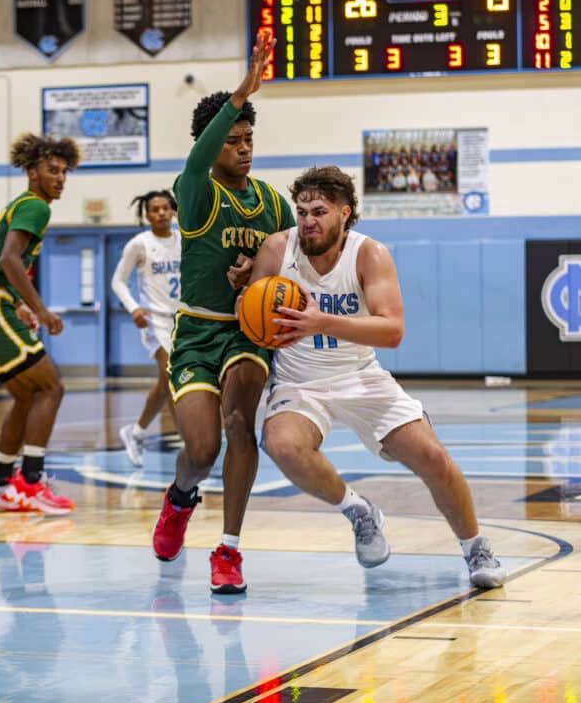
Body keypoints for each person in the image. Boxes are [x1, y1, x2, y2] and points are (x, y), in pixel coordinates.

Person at [244, 164, 506, 589]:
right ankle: (358, 510)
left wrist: (321, 322)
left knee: (434, 459)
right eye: (303, 211)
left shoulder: (369, 254)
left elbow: (392, 330)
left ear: (345, 213)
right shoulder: (277, 250)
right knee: (283, 446)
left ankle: (475, 546)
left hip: (360, 375)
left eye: (320, 211)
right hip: (299, 380)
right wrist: (245, 291)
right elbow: (250, 315)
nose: (309, 221)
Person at [152, 32, 295, 594]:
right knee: (201, 449)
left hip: (247, 333)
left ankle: (229, 550)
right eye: (232, 139)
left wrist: (260, 280)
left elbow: (292, 275)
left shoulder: (274, 203)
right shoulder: (195, 192)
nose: (243, 147)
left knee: (240, 424)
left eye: (248, 138)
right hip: (195, 334)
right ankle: (180, 499)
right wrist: (241, 90)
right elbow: (194, 159)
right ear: (211, 145)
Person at [0, 132, 81, 515]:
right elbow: (8, 261)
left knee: (29, 395)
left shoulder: (25, 204)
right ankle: (29, 482)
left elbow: (0, 263)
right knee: (51, 388)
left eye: (64, 172)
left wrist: (18, 307)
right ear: (32, 173)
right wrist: (40, 309)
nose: (59, 178)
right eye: (52, 170)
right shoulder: (35, 206)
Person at [111, 189, 181, 466]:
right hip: (155, 320)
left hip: (182, 320)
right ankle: (188, 441)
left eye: (166, 208)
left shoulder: (183, 240)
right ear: (147, 214)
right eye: (155, 209)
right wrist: (134, 308)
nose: (161, 213)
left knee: (173, 382)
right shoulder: (139, 244)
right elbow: (118, 281)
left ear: (173, 211)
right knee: (170, 376)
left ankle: (137, 432)